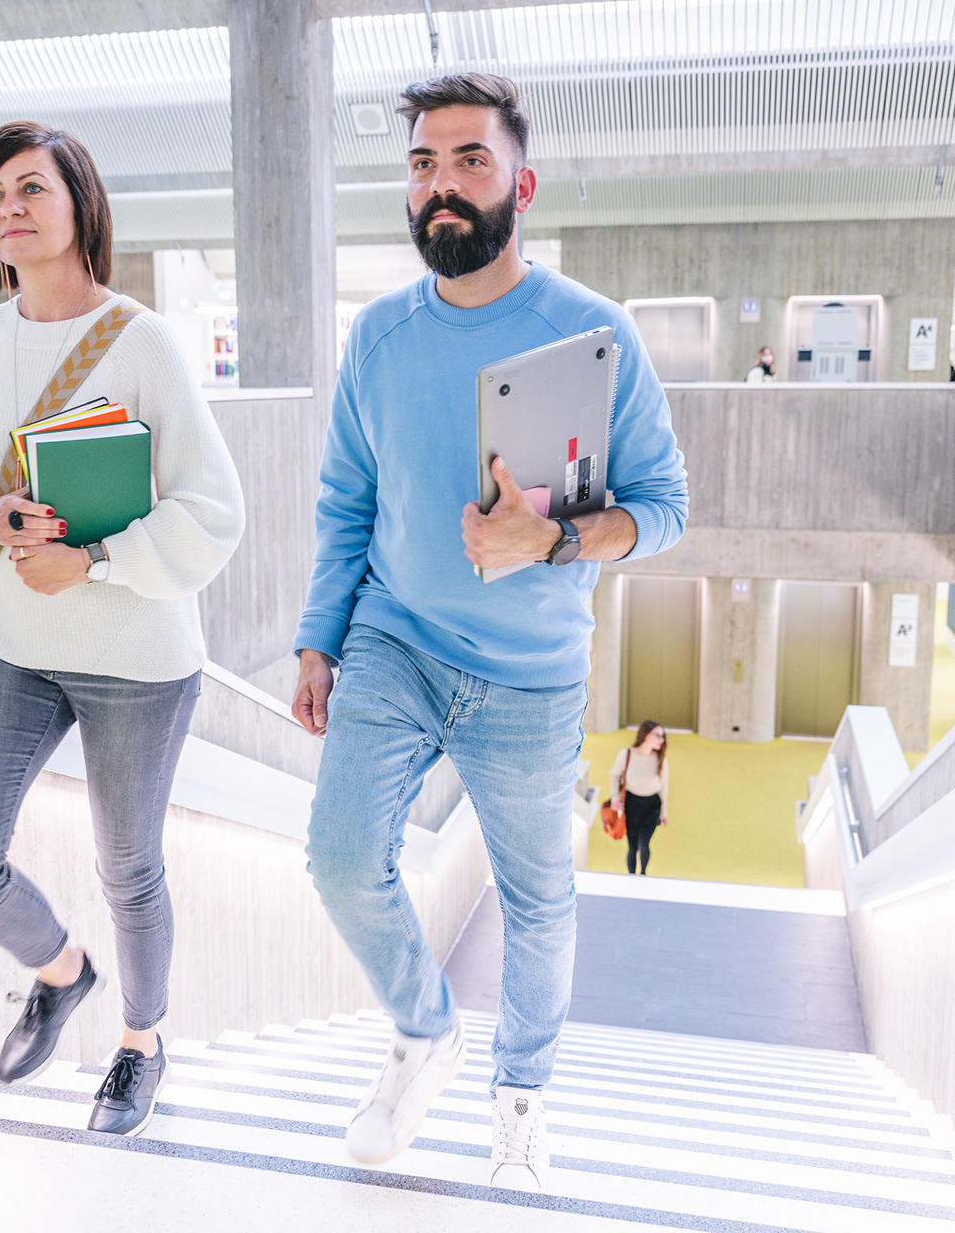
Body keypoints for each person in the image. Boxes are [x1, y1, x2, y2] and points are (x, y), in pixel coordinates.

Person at [292, 72, 688, 1192]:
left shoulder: (593, 336)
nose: (443, 185)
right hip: (395, 641)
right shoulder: (377, 336)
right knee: (338, 856)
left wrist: (552, 541)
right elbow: (347, 502)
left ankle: (521, 1096)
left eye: (470, 161)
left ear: (522, 183)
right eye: (424, 163)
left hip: (530, 677)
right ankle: (426, 1031)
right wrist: (319, 640)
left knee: (538, 901)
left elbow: (664, 508)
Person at [0, 120, 244, 1138]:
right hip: (9, 642)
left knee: (127, 866)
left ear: (79, 205)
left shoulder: (143, 342)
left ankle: (142, 1041)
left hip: (135, 654)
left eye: (31, 188)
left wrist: (92, 560)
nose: (8, 209)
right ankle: (62, 971)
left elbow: (214, 510)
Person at [609, 721, 669, 875]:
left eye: (662, 736)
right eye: (657, 735)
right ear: (646, 735)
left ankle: (643, 874)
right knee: (632, 846)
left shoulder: (661, 759)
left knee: (644, 843)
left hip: (652, 806)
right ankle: (631, 876)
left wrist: (664, 813)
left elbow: (664, 787)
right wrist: (615, 798)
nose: (662, 740)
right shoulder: (626, 755)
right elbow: (614, 776)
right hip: (631, 805)